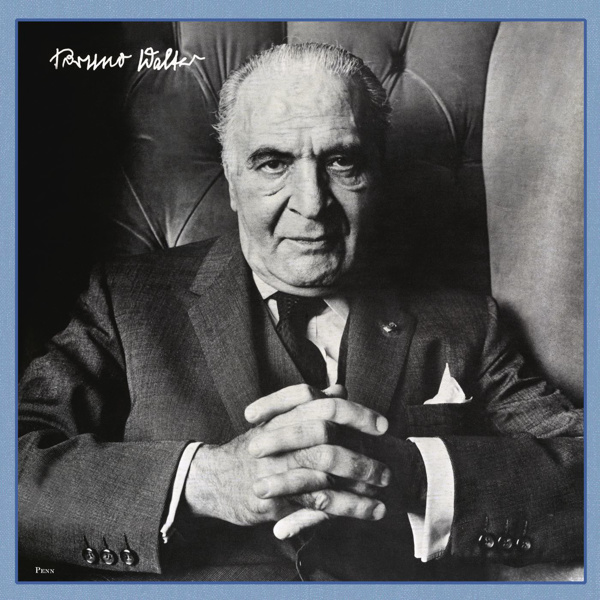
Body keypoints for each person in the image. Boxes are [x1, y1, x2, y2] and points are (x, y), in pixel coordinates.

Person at [18, 43, 583, 582]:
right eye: (273, 163)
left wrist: (411, 473)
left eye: (342, 162)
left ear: (378, 172)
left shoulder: (467, 322)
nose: (312, 203)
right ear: (232, 180)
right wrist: (202, 480)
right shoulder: (126, 299)